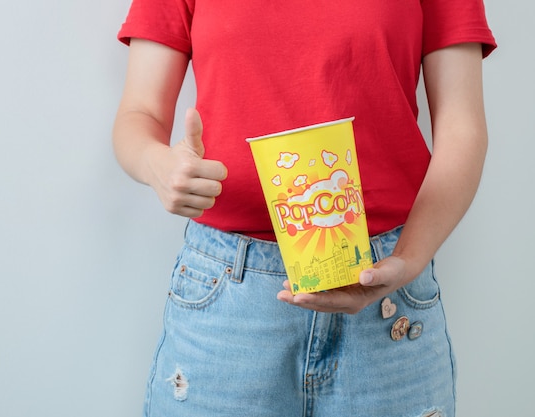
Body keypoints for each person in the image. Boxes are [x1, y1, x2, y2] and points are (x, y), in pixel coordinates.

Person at [113, 1, 496, 416]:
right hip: (228, 301)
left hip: (387, 293)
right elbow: (140, 113)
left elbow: (462, 127)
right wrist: (158, 166)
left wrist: (409, 258)